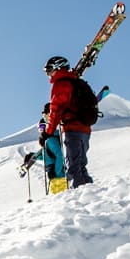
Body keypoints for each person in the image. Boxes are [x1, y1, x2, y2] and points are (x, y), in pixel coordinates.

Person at [41, 55, 94, 187]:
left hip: (72, 128)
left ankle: (78, 195)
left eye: (49, 70)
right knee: (81, 164)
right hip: (85, 128)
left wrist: (48, 132)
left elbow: (56, 109)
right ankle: (90, 193)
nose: (48, 74)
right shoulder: (74, 81)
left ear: (58, 68)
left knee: (73, 167)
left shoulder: (61, 84)